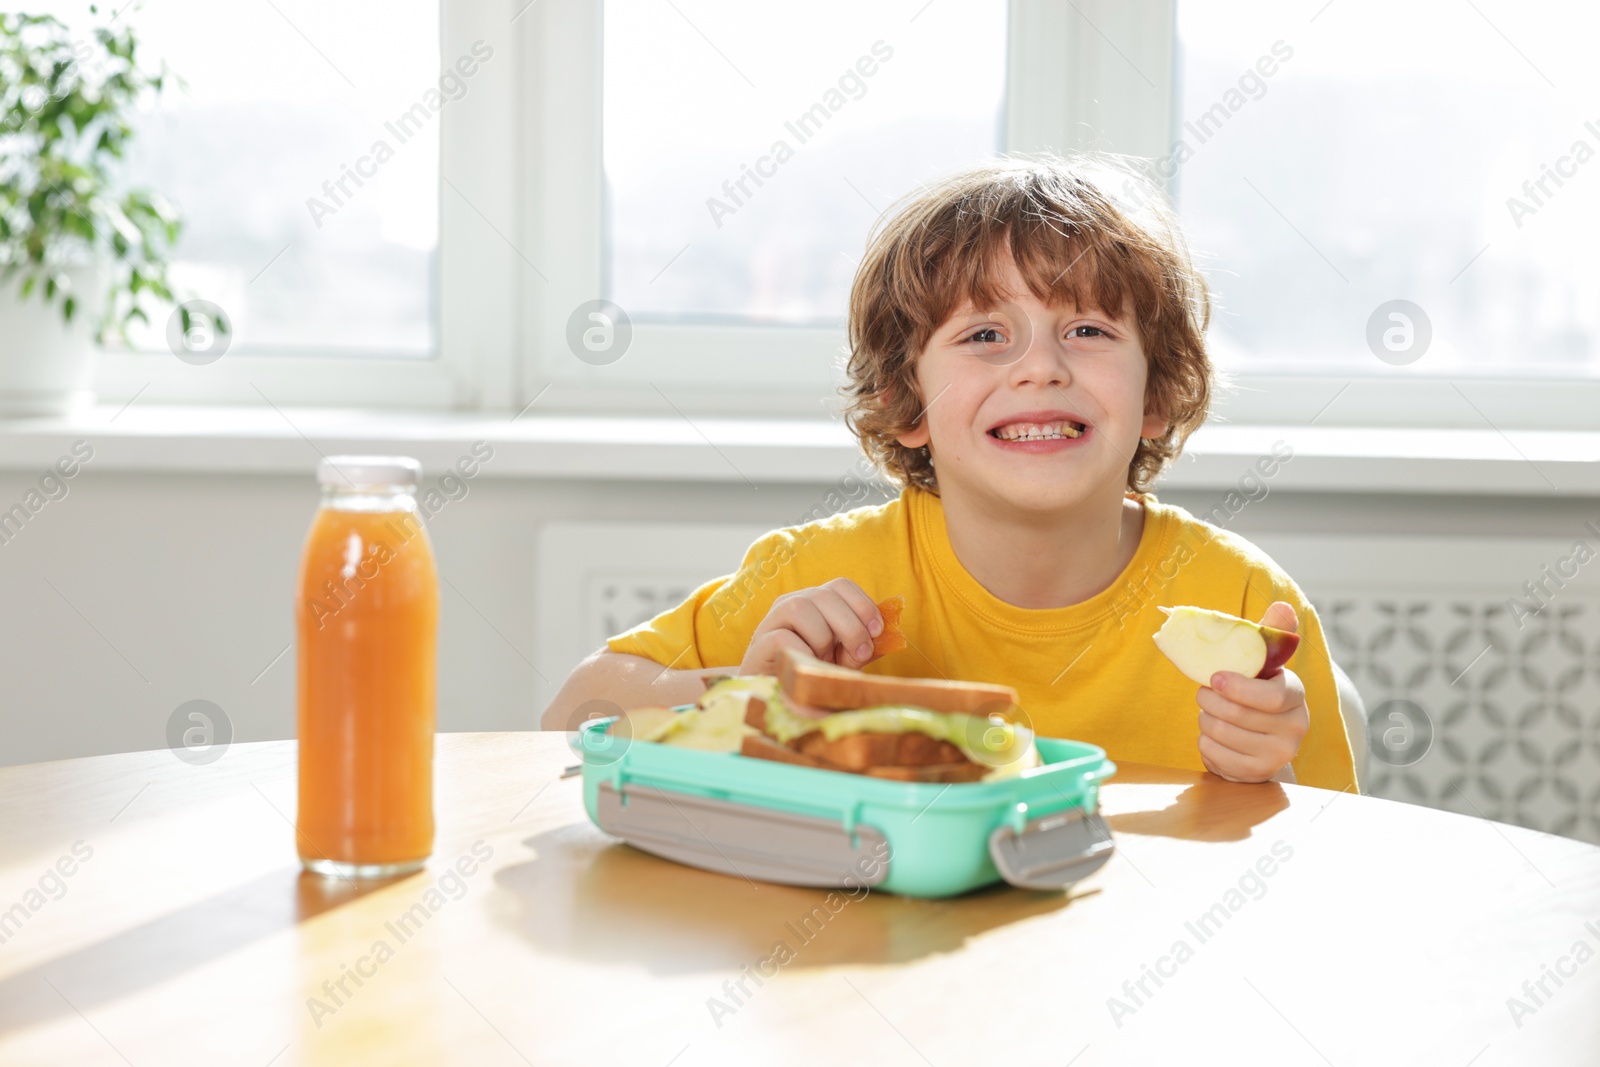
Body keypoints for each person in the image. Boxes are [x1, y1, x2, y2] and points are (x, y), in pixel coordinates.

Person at [542, 155, 1357, 792]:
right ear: (908, 402)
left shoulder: (1246, 599)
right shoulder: (815, 578)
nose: (1039, 366)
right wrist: (739, 696)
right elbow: (569, 717)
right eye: (983, 336)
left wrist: (1267, 774)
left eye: (1086, 328)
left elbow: (1329, 869)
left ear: (1158, 391)